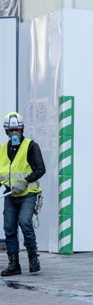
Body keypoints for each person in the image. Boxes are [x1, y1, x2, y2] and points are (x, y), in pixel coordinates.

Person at [0, 112, 45, 276]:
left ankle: (33, 258)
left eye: (17, 130)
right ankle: (14, 264)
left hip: (28, 193)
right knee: (9, 228)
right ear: (6, 131)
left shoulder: (31, 146)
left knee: (25, 222)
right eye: (11, 131)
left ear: (22, 129)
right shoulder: (2, 150)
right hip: (10, 195)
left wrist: (25, 180)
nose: (14, 134)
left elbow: (41, 169)